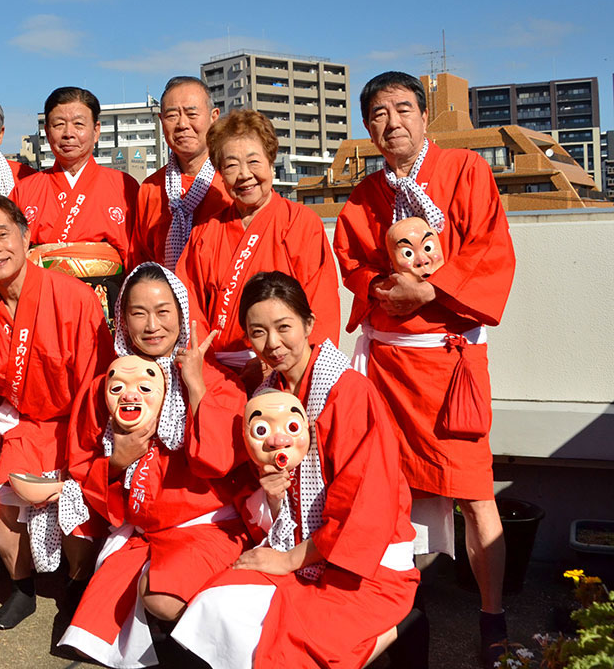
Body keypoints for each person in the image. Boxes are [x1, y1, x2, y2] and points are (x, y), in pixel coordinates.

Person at [332, 71, 516, 664]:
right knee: (392, 490)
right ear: (367, 127)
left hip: (449, 360)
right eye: (379, 114)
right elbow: (353, 265)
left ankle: (493, 614)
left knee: (474, 492)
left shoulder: (467, 170)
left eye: (404, 109)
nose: (393, 123)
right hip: (387, 364)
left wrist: (430, 293)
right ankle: (403, 605)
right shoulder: (363, 197)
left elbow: (490, 251)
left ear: (424, 115)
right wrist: (388, 288)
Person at [172, 271, 418, 668]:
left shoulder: (349, 392)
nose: (272, 344)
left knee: (285, 644)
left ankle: (390, 634)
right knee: (214, 607)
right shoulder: (270, 394)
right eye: (257, 332)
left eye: (284, 327)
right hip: (302, 545)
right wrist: (271, 493)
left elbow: (366, 508)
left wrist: (289, 561)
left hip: (360, 565)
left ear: (308, 323)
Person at [60, 263, 252, 668]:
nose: (151, 326)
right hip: (143, 529)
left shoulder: (217, 380)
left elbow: (220, 460)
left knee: (158, 597)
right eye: (138, 312)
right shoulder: (106, 385)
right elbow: (80, 464)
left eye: (163, 312)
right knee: (92, 636)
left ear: (182, 314)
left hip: (207, 526)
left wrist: (196, 387)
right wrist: (119, 459)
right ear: (122, 318)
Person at [0, 194, 115, 630]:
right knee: (3, 510)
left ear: (26, 236)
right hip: (22, 424)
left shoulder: (73, 297)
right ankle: (22, 590)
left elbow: (97, 383)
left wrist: (81, 458)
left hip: (76, 425)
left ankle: (76, 587)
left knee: (78, 514)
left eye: (2, 234)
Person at [176, 109, 340, 390]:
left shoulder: (301, 223)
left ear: (271, 161)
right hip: (215, 372)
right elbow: (187, 301)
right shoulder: (205, 231)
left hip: (282, 365)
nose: (244, 175)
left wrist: (282, 364)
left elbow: (320, 305)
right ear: (219, 172)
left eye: (254, 161)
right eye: (230, 166)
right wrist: (208, 366)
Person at [10, 87, 138, 320]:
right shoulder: (25, 189)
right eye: (59, 125)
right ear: (47, 132)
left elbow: (137, 256)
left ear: (96, 130)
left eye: (78, 124)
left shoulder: (124, 185)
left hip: (107, 308)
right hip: (41, 306)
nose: (68, 134)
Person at [126, 77, 229, 271]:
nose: (182, 124)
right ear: (161, 121)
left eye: (192, 114)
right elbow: (139, 259)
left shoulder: (233, 180)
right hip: (165, 297)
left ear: (214, 117)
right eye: (172, 115)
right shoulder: (150, 188)